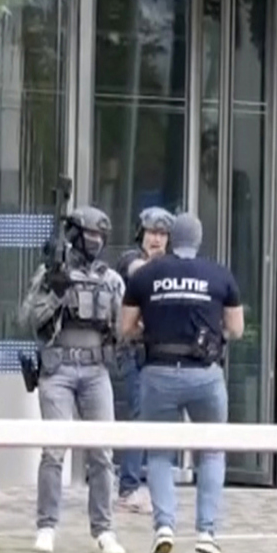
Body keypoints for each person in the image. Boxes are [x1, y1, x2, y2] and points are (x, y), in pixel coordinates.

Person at [120, 212, 243, 553]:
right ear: (200, 240)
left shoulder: (147, 275)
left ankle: (164, 527)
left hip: (158, 372)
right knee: (213, 451)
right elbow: (236, 329)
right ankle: (206, 531)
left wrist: (153, 331)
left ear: (173, 239)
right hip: (205, 374)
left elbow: (126, 327)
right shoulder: (220, 275)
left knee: (159, 452)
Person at [18, 205, 128, 553]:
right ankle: (46, 526)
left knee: (103, 453)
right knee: (53, 451)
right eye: (89, 236)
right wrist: (55, 292)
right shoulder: (51, 273)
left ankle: (104, 529)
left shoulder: (111, 280)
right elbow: (26, 318)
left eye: (100, 238)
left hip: (96, 371)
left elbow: (121, 326)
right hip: (58, 370)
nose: (94, 243)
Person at [113, 206, 175, 514]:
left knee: (163, 419)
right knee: (139, 416)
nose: (156, 239)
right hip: (134, 353)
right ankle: (128, 487)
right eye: (152, 232)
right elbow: (139, 271)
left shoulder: (171, 266)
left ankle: (156, 484)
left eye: (162, 234)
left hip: (162, 353)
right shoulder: (130, 260)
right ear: (141, 234)